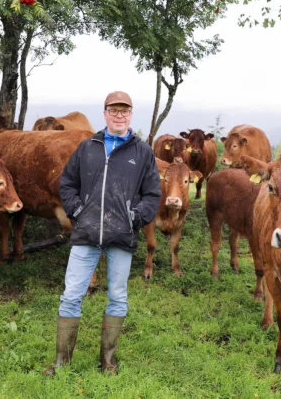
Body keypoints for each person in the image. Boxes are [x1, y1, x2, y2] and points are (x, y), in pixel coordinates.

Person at [45, 91, 161, 375]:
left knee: (118, 296)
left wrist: (135, 217)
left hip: (121, 236)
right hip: (86, 235)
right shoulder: (88, 147)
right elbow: (68, 183)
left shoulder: (142, 152)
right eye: (113, 110)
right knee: (71, 295)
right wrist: (76, 210)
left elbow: (153, 194)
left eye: (124, 110)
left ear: (131, 114)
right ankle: (62, 361)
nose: (119, 115)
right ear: (105, 113)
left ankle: (108, 360)